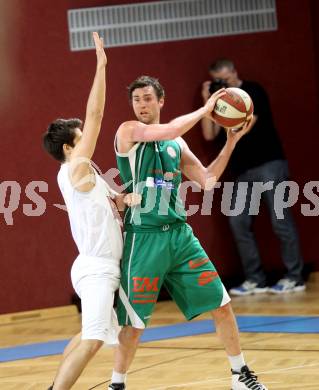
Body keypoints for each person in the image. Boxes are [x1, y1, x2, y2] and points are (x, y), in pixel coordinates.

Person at [107, 75, 268, 390]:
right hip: (145, 238)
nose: (142, 104)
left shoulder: (176, 143)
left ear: (160, 101)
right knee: (134, 322)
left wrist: (231, 142)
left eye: (148, 98)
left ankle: (240, 374)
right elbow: (169, 129)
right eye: (137, 99)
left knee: (221, 303)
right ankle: (117, 383)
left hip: (180, 236)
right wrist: (206, 110)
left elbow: (207, 180)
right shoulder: (128, 132)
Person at [43, 32, 140, 390]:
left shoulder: (91, 175)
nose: (88, 138)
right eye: (81, 136)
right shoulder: (75, 169)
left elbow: (116, 201)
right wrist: (101, 65)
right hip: (96, 268)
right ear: (70, 147)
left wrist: (127, 199)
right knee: (94, 338)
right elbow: (95, 114)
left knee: (90, 335)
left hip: (102, 266)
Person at [201, 58, 305, 295]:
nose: (223, 85)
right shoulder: (218, 103)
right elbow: (209, 134)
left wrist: (226, 105)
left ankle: (294, 277)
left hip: (269, 164)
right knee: (237, 222)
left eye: (225, 79)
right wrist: (208, 102)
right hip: (241, 171)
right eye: (219, 81)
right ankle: (254, 279)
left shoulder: (252, 91)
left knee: (281, 221)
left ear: (235, 72)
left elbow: (245, 125)